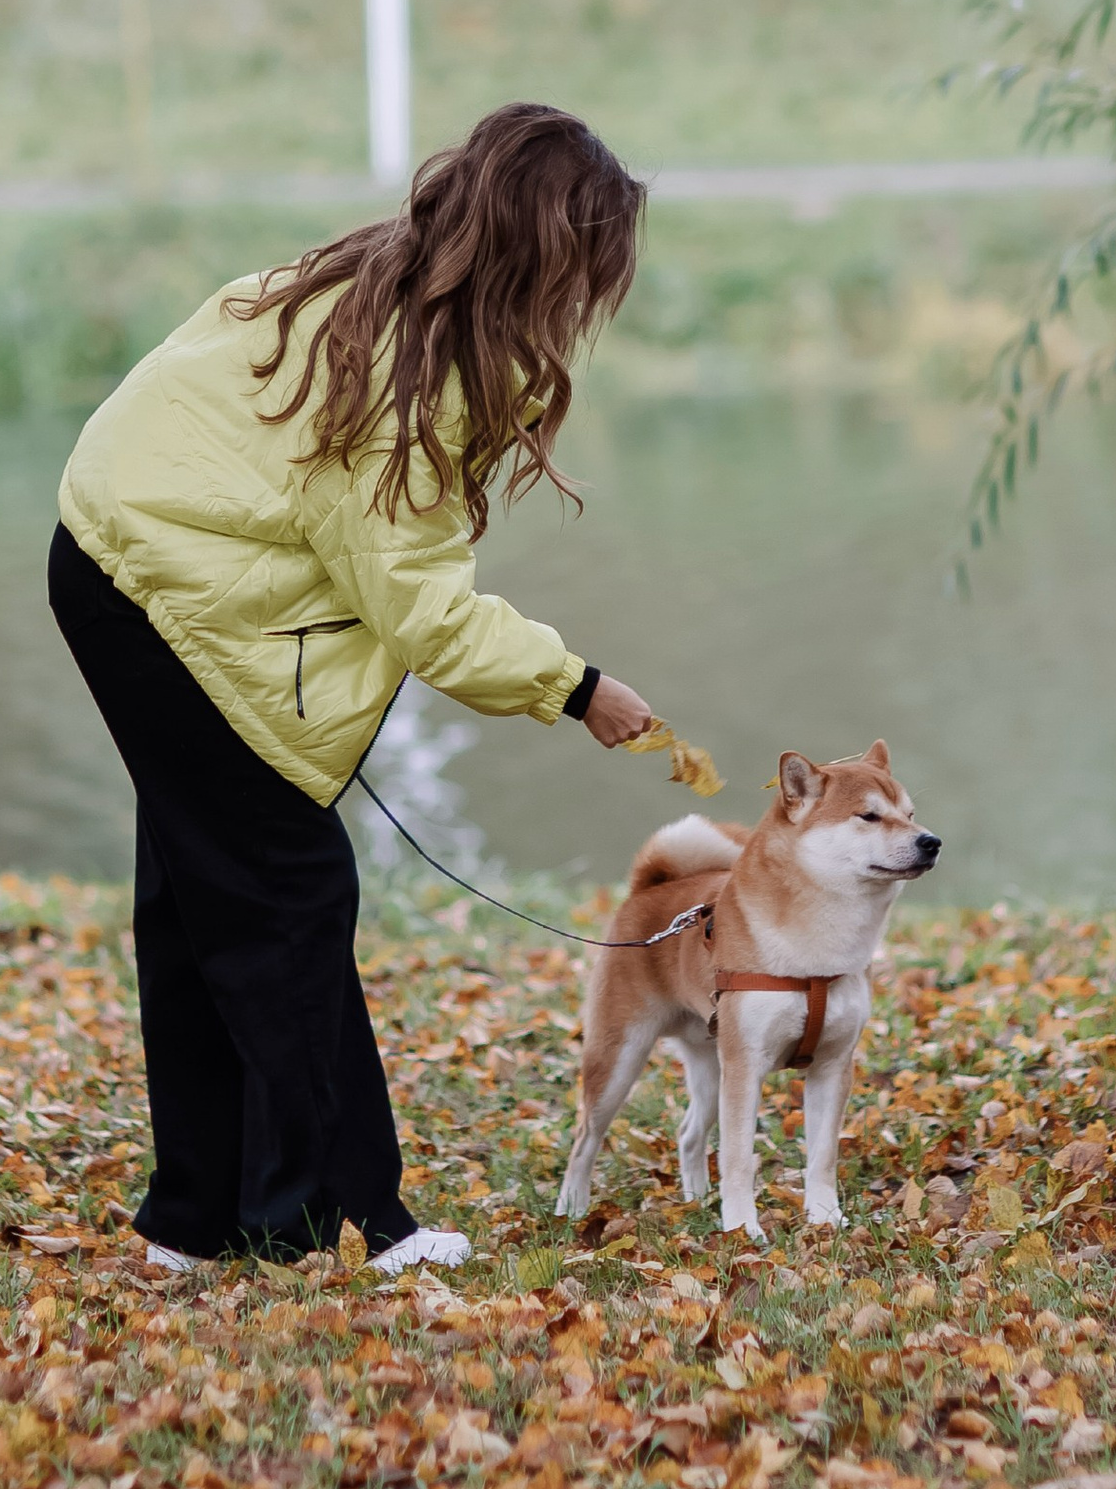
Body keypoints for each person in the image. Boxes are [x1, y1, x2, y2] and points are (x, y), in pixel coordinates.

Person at [50, 100, 660, 1271]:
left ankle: (195, 1223)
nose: (583, 305)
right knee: (290, 895)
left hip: (109, 556)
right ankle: (350, 1224)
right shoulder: (409, 384)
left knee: (202, 905)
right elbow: (423, 611)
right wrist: (577, 687)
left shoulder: (363, 280)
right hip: (158, 589)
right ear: (540, 256)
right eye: (585, 273)